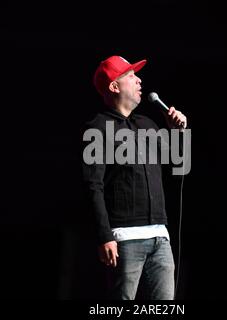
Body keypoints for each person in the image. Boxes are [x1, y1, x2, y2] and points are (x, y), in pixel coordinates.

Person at [81, 55, 187, 300]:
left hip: (160, 236)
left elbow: (178, 163)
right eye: (131, 76)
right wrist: (104, 236)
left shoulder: (147, 124)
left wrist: (178, 132)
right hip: (125, 240)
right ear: (114, 86)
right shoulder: (97, 128)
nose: (139, 81)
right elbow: (92, 186)